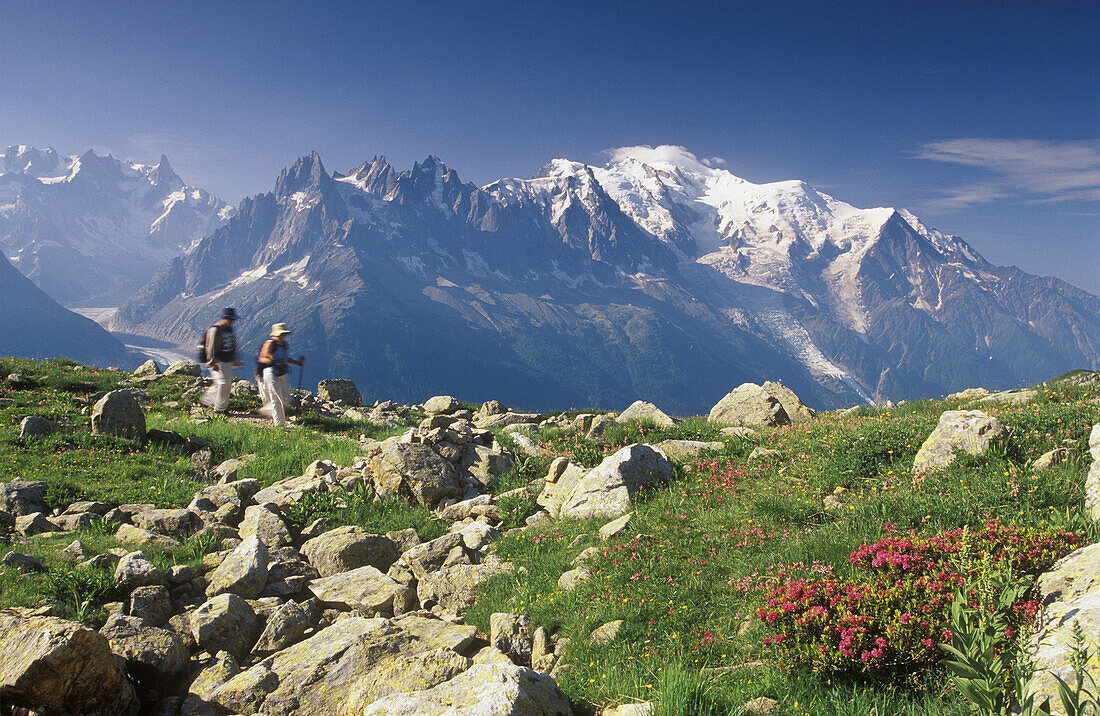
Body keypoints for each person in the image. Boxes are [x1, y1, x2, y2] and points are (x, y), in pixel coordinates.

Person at [256, 323, 304, 427]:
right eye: (281, 334)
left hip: (281, 372)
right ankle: (279, 424)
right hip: (270, 371)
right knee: (276, 397)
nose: (283, 336)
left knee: (284, 397)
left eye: (284, 334)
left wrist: (297, 362)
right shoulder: (270, 343)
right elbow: (262, 357)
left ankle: (268, 411)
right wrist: (273, 360)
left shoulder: (283, 345)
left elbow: (286, 358)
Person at [200, 308, 242, 415]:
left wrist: (234, 359)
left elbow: (232, 344)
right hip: (218, 360)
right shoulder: (216, 329)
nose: (232, 321)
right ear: (225, 318)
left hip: (227, 360)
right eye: (230, 319)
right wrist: (211, 362)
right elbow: (211, 346)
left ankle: (208, 401)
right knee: (224, 383)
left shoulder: (229, 329)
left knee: (223, 383)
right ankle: (219, 409)